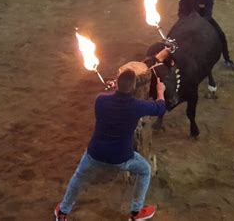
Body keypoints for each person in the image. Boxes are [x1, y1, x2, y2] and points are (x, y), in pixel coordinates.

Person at [54, 69, 166, 221]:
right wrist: (160, 91)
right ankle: (136, 212)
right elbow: (160, 108)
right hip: (121, 158)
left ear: (116, 84)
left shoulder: (100, 100)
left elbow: (113, 102)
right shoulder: (137, 106)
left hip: (95, 154)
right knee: (145, 170)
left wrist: (115, 89)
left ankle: (63, 211)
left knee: (79, 176)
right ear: (133, 88)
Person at [178, 0, 234, 70]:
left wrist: (198, 23)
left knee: (221, 35)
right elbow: (181, 12)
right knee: (172, 37)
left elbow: (208, 15)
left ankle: (227, 60)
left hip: (203, 21)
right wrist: (186, 22)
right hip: (187, 20)